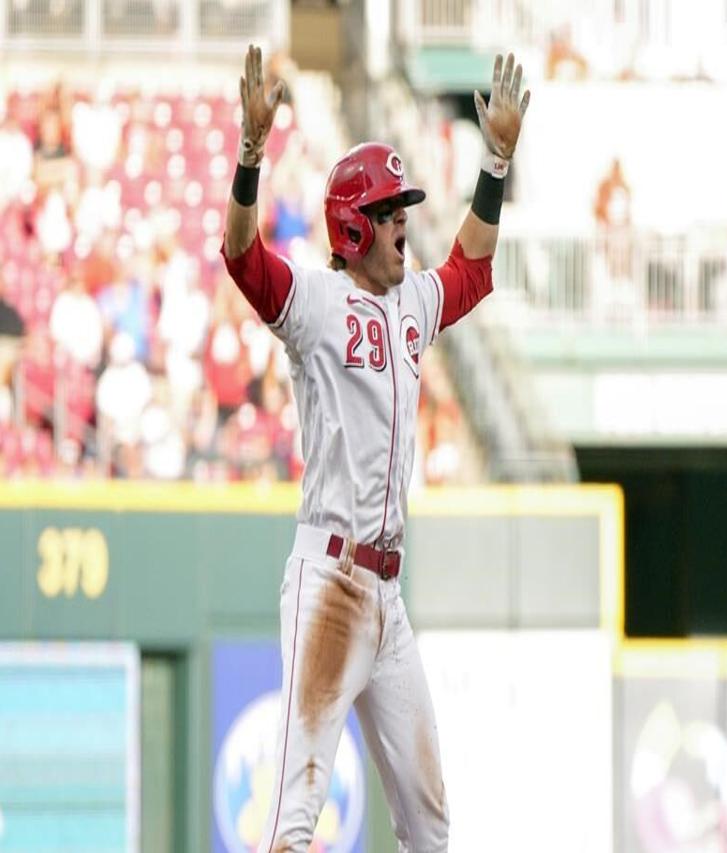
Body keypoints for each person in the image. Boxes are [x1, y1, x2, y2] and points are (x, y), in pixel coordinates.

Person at [221, 44, 530, 852]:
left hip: (388, 598)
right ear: (354, 224)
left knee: (429, 823)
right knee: (292, 818)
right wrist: (251, 157)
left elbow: (469, 263)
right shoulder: (319, 303)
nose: (404, 224)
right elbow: (243, 259)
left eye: (403, 210)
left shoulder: (411, 302)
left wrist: (495, 162)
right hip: (328, 581)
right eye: (392, 212)